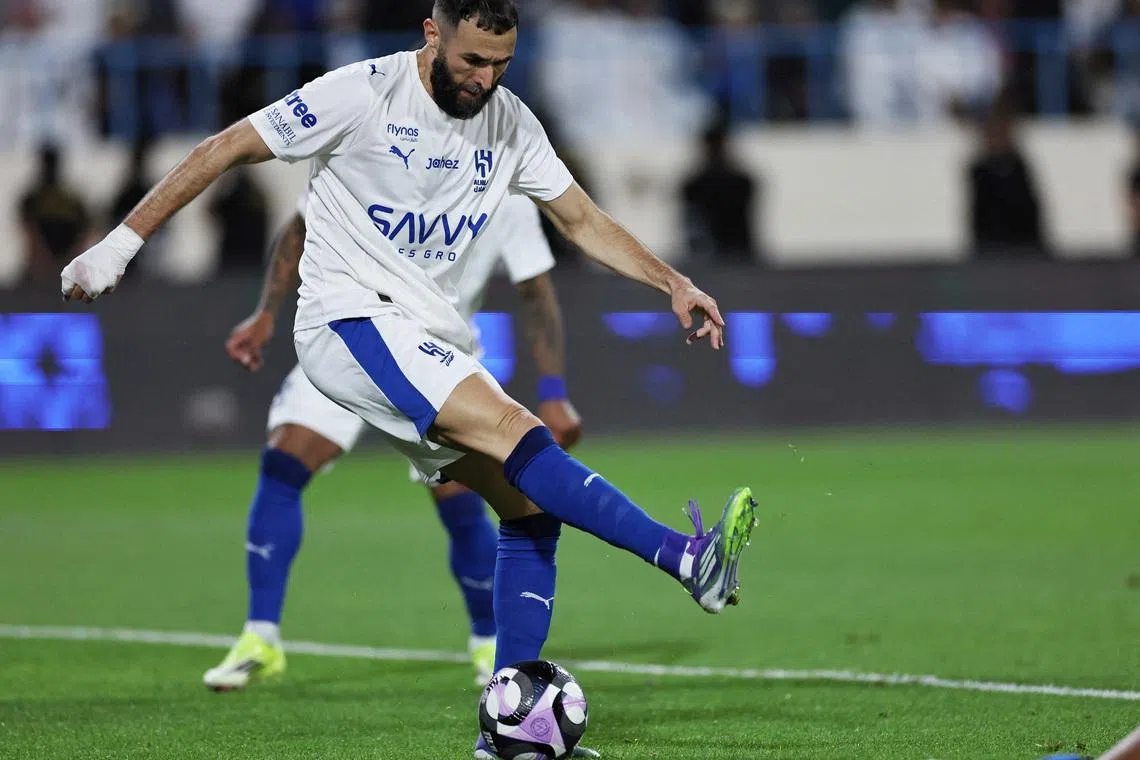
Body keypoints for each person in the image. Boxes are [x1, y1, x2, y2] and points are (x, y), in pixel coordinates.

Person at [60, 3, 759, 756]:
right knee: (517, 435)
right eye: (472, 62)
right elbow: (227, 146)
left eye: (501, 64)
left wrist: (673, 283)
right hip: (346, 322)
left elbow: (582, 221)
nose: (486, 79)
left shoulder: (512, 123)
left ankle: (511, 732)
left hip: (428, 336)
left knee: (526, 511)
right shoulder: (360, 93)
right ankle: (687, 559)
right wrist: (119, 247)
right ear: (433, 34)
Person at [203, 189, 583, 691]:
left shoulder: (506, 195)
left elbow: (536, 291)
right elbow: (299, 224)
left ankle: (488, 642)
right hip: (349, 335)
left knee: (462, 500)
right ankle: (260, 638)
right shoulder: (379, 147)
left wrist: (554, 392)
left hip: (441, 357)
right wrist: (267, 312)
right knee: (284, 461)